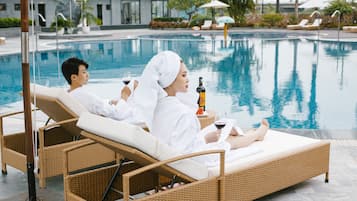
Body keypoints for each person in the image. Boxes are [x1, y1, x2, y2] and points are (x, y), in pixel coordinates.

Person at [133, 51, 269, 165]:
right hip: (192, 160)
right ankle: (257, 134)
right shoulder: (183, 114)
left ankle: (246, 132)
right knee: (227, 143)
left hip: (170, 155)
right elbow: (185, 154)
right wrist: (206, 140)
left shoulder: (157, 107)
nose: (187, 79)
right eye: (183, 75)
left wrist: (204, 138)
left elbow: (176, 142)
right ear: (170, 79)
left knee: (222, 127)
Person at [61, 57, 139, 123]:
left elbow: (96, 106)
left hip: (98, 120)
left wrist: (110, 102)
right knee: (134, 91)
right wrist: (124, 96)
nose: (87, 75)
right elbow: (117, 114)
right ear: (74, 77)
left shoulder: (69, 94)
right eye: (84, 72)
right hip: (111, 125)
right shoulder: (84, 96)